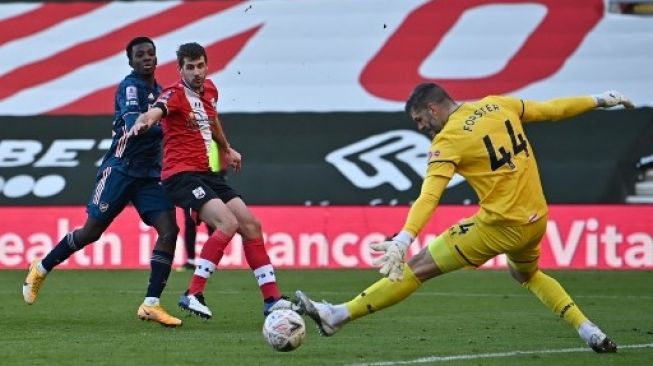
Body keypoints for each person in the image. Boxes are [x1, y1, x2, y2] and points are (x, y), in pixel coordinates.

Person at [296, 84, 634, 353]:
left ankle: (337, 315)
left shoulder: (449, 140)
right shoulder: (497, 104)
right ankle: (587, 329)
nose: (421, 128)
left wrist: (404, 237)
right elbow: (552, 110)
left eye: (419, 120)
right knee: (526, 275)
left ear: (432, 108)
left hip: (499, 227)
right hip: (536, 221)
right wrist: (600, 99)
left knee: (416, 267)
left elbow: (430, 194)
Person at [22, 37, 182, 327]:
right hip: (120, 169)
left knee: (169, 229)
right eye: (140, 55)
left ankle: (151, 303)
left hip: (148, 175)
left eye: (151, 53)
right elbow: (136, 123)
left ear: (157, 59)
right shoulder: (130, 87)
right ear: (131, 61)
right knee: (91, 232)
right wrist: (152, 122)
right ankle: (41, 268)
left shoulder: (160, 93)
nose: (146, 58)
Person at [130, 42, 295, 320]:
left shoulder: (211, 91)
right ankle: (193, 293)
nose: (196, 72)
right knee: (227, 224)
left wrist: (227, 148)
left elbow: (212, 118)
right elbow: (155, 111)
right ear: (180, 69)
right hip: (179, 175)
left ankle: (272, 299)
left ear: (207, 65)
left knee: (251, 226)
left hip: (205, 172)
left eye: (200, 66)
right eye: (190, 67)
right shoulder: (174, 94)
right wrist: (144, 121)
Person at [177, 141, 220, 272]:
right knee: (190, 222)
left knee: (212, 223)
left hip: (209, 180)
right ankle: (190, 260)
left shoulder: (212, 140)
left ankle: (211, 261)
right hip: (192, 181)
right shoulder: (190, 137)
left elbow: (216, 164)